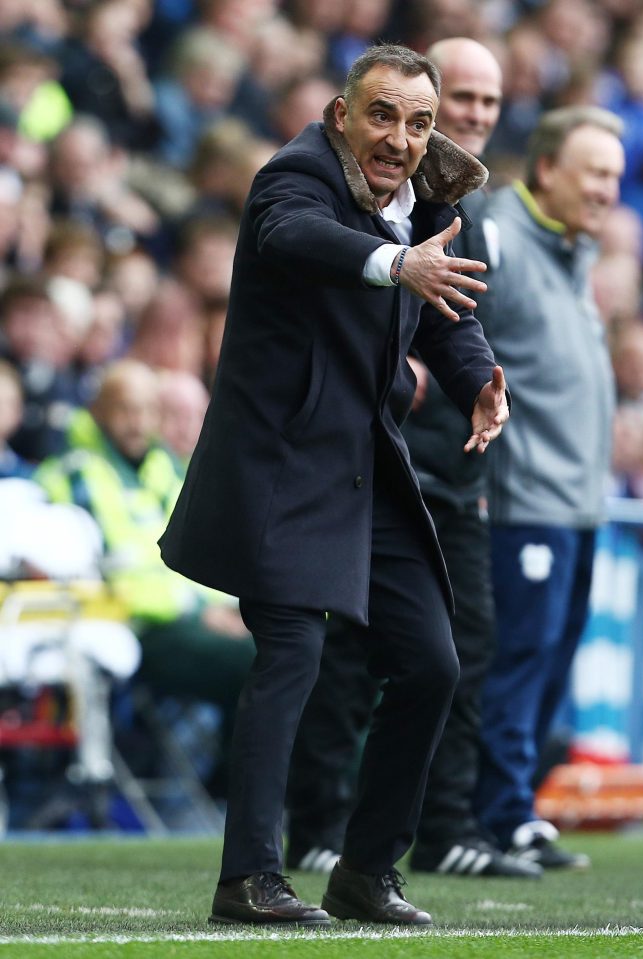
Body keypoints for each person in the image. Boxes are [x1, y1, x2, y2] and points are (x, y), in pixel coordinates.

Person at [159, 43, 508, 926]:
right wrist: (395, 264)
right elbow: (293, 237)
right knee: (292, 655)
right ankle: (248, 878)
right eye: (383, 114)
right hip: (279, 462)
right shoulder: (294, 174)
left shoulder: (422, 194)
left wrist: (476, 380)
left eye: (419, 122)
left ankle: (364, 870)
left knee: (432, 661)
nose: (400, 137)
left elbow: (445, 306)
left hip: (364, 459)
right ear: (341, 113)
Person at [286, 37, 540, 881]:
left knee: (454, 649)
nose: (471, 115)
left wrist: (475, 376)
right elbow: (318, 282)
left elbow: (457, 320)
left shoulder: (463, 204)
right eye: (457, 97)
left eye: (482, 104)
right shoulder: (341, 187)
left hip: (452, 465)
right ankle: (320, 823)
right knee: (344, 650)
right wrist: (400, 356)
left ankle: (439, 825)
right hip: (369, 454)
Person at [470, 105, 625, 869]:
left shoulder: (572, 252)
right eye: (594, 173)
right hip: (522, 497)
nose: (606, 191)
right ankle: (493, 815)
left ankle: (517, 808)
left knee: (548, 660)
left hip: (577, 503)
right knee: (518, 658)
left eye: (615, 178)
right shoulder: (498, 233)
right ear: (547, 169)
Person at [34, 359, 255, 800]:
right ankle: (239, 790)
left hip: (193, 617)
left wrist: (234, 608)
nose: (137, 423)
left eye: (146, 410)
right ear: (97, 411)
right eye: (124, 409)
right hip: (131, 627)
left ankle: (246, 787)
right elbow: (110, 574)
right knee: (259, 662)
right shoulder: (73, 475)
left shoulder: (166, 470)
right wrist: (200, 609)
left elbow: (202, 556)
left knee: (294, 649)